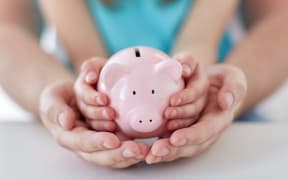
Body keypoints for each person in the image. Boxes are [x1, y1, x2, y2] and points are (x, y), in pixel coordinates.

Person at [0, 0, 287, 168]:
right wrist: (58, 95)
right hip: (76, 126)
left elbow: (281, 20)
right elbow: (6, 29)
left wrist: (228, 90)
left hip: (225, 125)